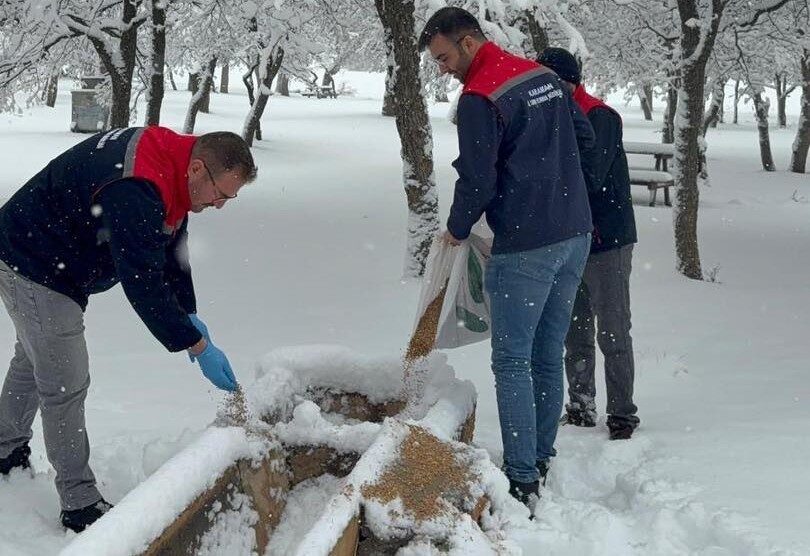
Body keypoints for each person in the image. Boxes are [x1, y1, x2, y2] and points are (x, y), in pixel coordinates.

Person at [0, 126, 256, 532]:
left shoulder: (171, 164)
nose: (220, 205)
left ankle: (5, 450)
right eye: (220, 194)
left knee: (35, 358)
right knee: (64, 380)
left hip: (46, 253)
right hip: (34, 262)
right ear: (197, 169)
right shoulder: (138, 185)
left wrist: (187, 312)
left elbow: (171, 244)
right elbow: (142, 279)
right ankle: (80, 504)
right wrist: (195, 343)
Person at [419, 8, 595, 507]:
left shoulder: (480, 97)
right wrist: (556, 184)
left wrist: (456, 230)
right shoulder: (541, 75)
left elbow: (478, 179)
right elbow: (584, 140)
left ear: (470, 41)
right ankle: (540, 455)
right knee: (547, 351)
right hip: (575, 234)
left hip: (526, 245)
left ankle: (521, 478)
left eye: (445, 57)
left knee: (513, 360)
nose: (443, 68)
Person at [537, 47, 640, 440]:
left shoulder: (600, 116)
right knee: (574, 331)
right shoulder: (552, 119)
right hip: (570, 241)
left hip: (608, 241)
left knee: (613, 330)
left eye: (550, 82)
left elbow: (590, 175)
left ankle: (622, 416)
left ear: (568, 82)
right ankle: (580, 408)